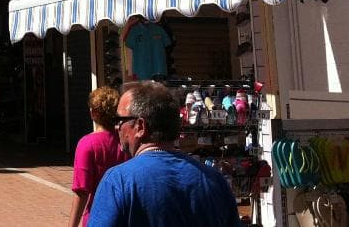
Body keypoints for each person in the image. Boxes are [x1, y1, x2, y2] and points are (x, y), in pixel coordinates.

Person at [89, 82, 241, 227]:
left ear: (140, 126)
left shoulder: (119, 181)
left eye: (120, 120)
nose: (116, 127)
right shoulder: (214, 179)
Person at [69, 86, 129, 227]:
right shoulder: (127, 139)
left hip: (98, 217)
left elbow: (82, 191)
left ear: (94, 113)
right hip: (126, 216)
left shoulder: (87, 144)